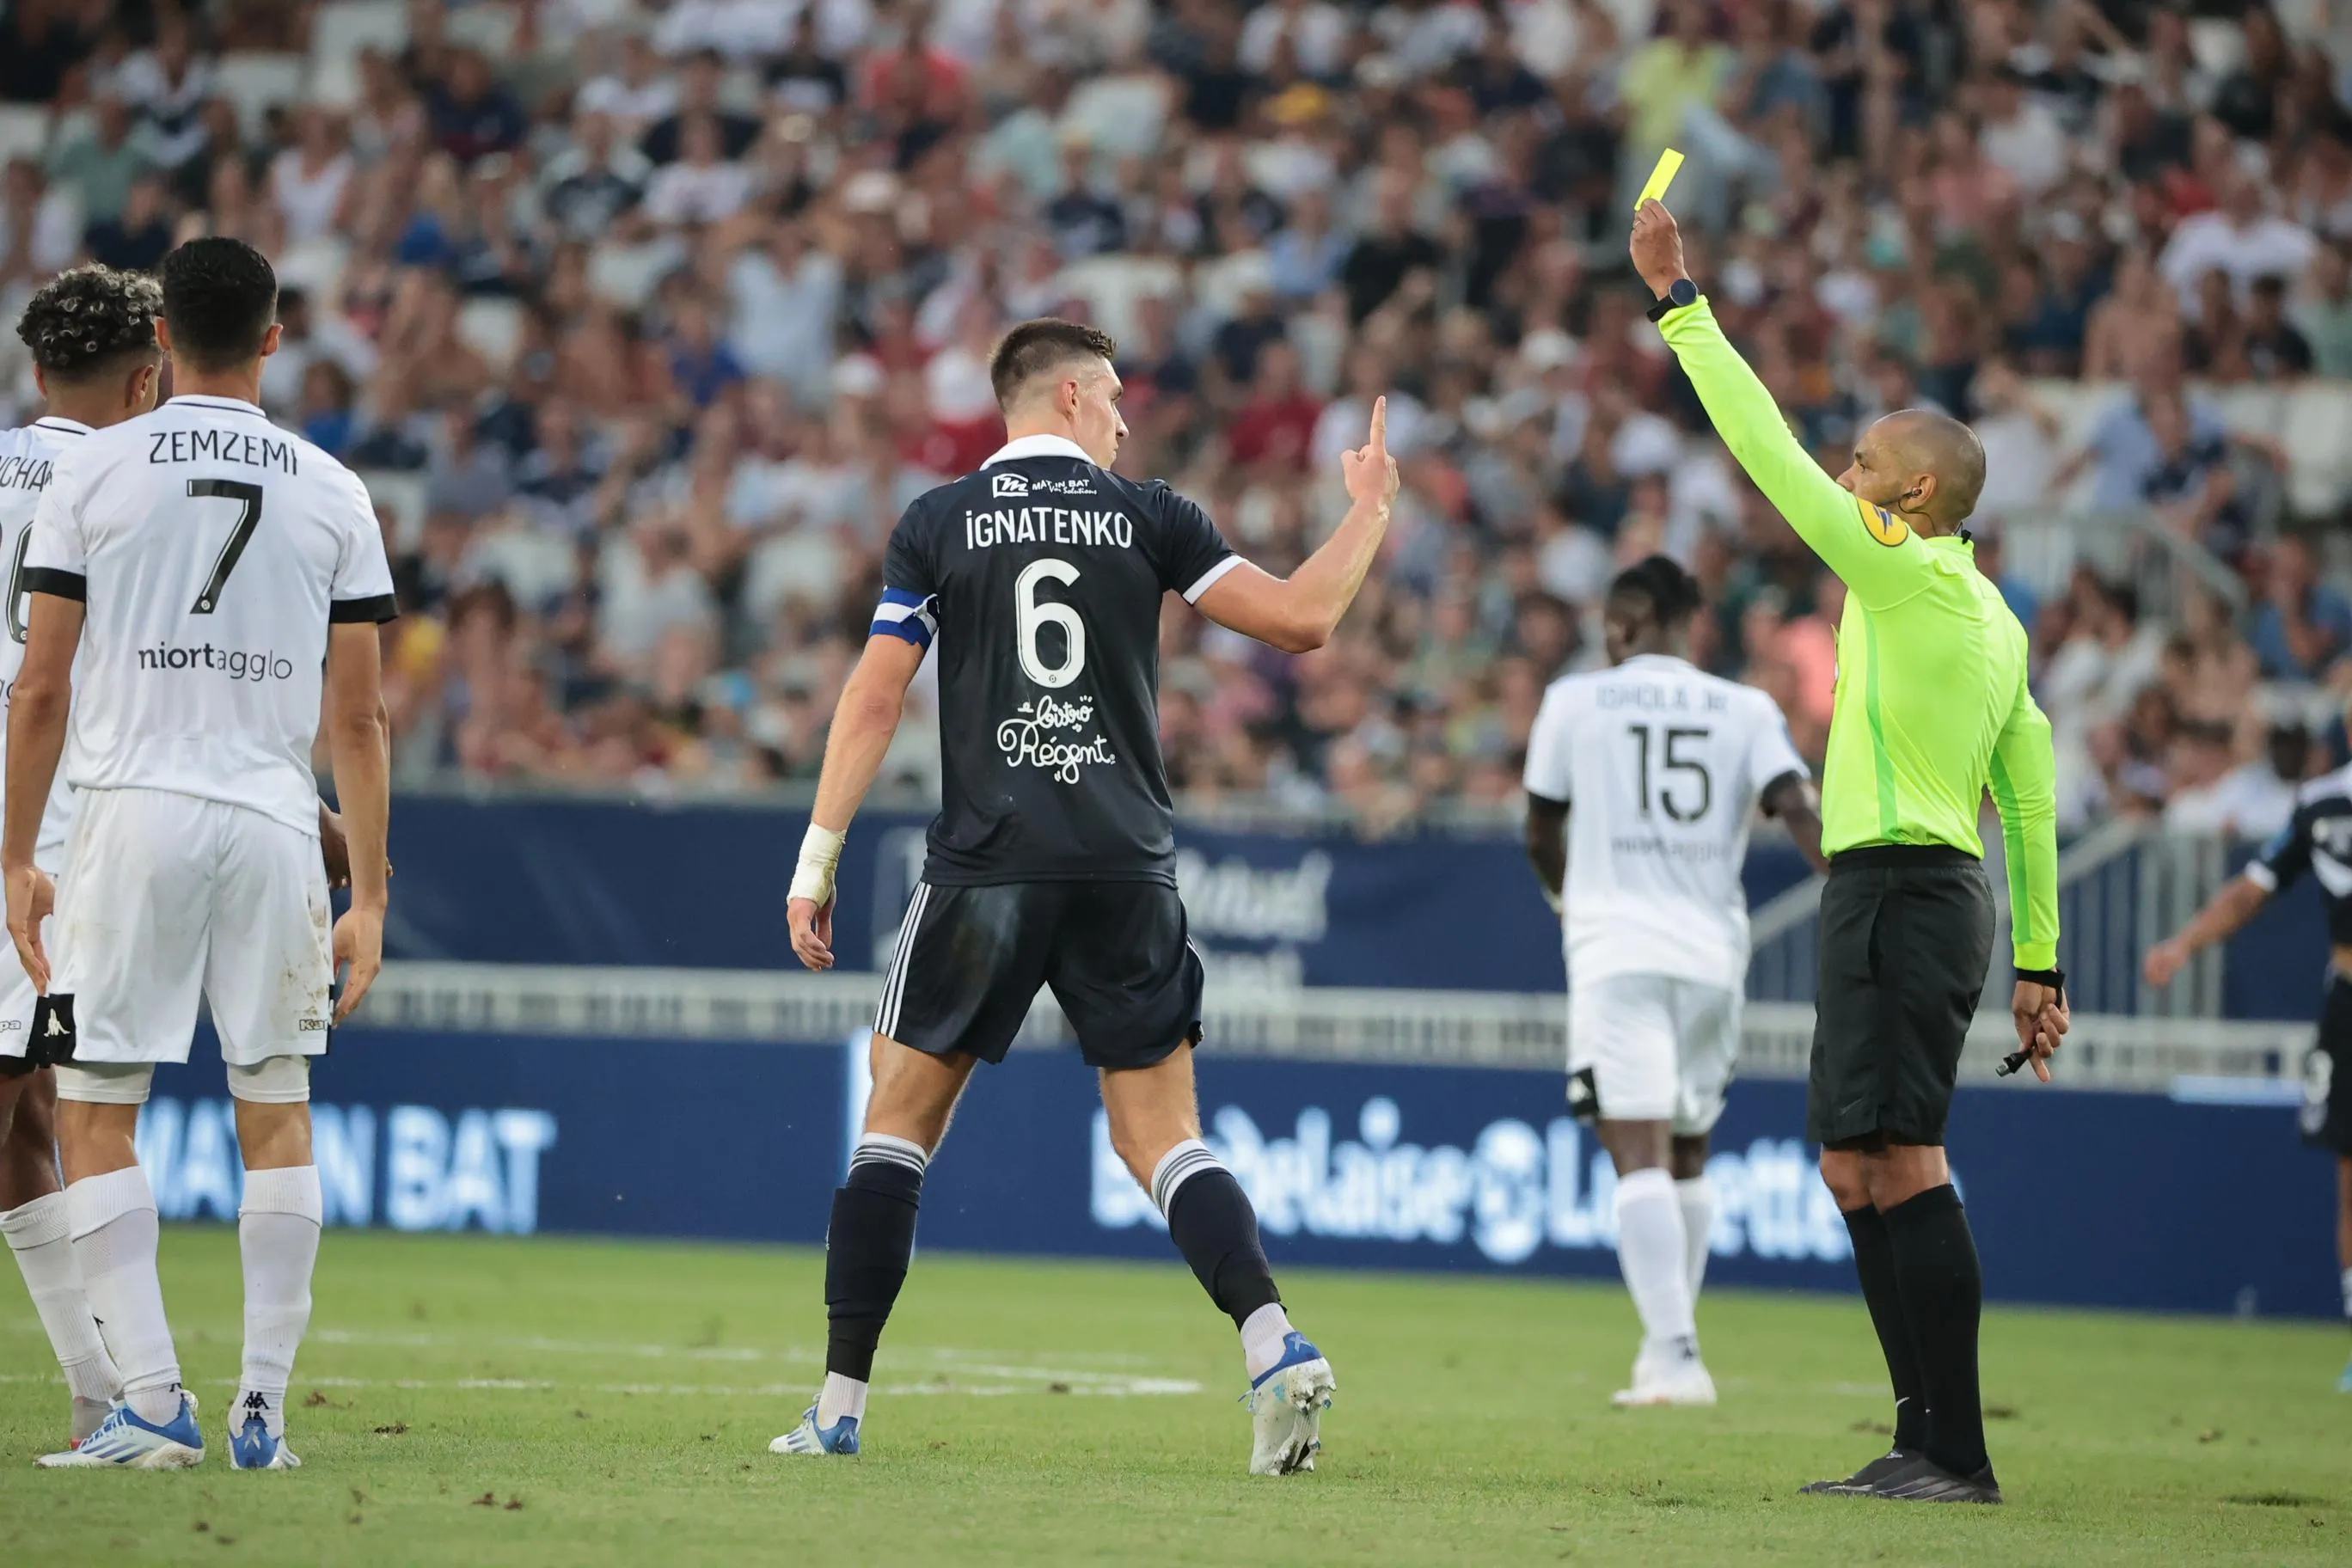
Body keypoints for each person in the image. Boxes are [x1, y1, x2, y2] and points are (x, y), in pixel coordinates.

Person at [775, 317, 1400, 1473]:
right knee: (1162, 1137)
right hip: (1126, 865)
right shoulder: (1151, 514)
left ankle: (838, 1407)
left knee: (896, 1125)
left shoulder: (939, 521)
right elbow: (1303, 621)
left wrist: (817, 861)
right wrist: (1366, 509)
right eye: (1111, 396)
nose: (1123, 420)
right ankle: (1273, 1344)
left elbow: (873, 699)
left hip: (988, 868)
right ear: (1066, 397)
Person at [1632, 199, 2067, 1505]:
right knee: (1851, 1164)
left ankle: (1956, 1454)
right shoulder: (1996, 622)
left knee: (1904, 1158)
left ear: (1914, 495)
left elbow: (1765, 453)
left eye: (1866, 462)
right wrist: (2039, 964)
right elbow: (2029, 798)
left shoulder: (1902, 573)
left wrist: (1681, 306)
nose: (1846, 472)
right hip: (1918, 888)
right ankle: (1919, 1437)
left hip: (1902, 886)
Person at [1, 237, 396, 1470]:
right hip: (274, 821)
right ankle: (261, 1412)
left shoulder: (96, 473)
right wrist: (372, 893)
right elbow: (360, 720)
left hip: (129, 814)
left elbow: (42, 688)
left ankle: (153, 1400)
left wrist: (15, 856)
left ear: (162, 336)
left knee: (94, 1109)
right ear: (275, 338)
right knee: (276, 1110)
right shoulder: (335, 489)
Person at [1522, 554, 1828, 1407]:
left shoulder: (1575, 700)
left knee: (1638, 1153)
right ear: (1692, 625)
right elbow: (1799, 808)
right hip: (1713, 955)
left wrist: (1568, 901)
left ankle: (1676, 1353)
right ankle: (1669, 1354)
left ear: (1622, 626)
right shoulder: (1746, 708)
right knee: (1689, 1151)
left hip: (1617, 948)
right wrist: (1851, 884)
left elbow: (1541, 827)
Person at [0, 265, 164, 1451]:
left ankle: (101, 1389)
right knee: (34, 1103)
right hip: (49, 837)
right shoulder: (134, 488)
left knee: (32, 1114)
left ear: (38, 366)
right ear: (146, 376)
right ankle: (128, 1392)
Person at [2144, 738, 2352, 1395]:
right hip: (2347, 1005)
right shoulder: (2323, 805)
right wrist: (2184, 943)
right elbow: (2252, 890)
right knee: (2351, 1179)